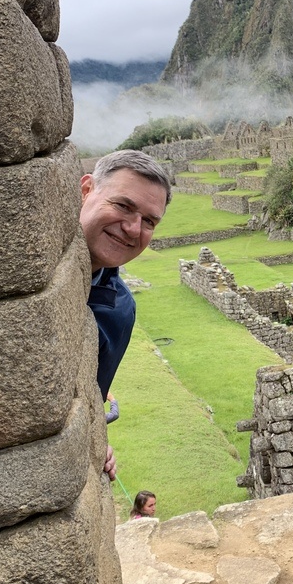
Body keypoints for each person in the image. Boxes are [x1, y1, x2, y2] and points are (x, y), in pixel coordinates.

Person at [79, 150, 172, 479]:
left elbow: (91, 399)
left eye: (149, 221)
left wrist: (94, 440)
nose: (134, 229)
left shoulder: (119, 309)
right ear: (86, 189)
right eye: (123, 205)